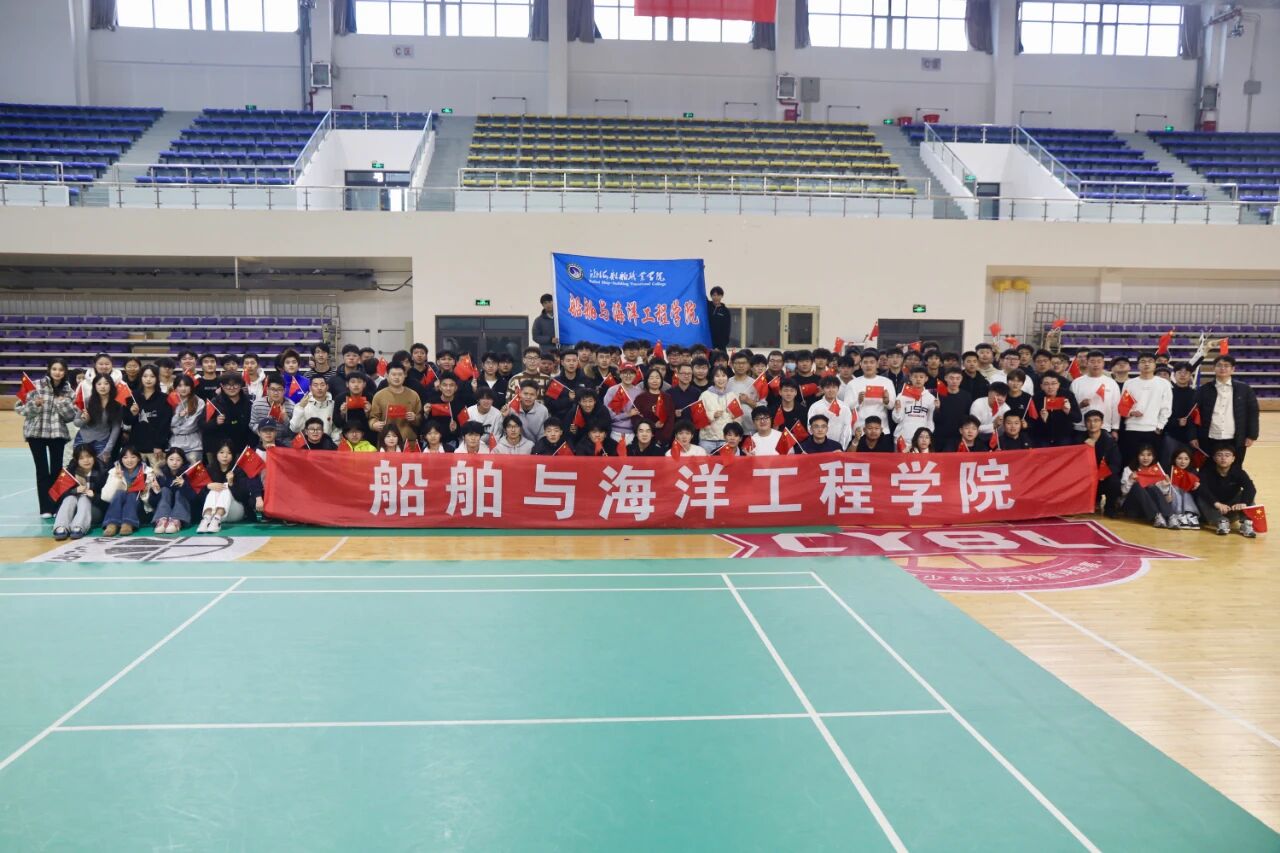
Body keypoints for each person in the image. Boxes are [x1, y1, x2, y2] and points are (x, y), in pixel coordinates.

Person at [18, 358, 77, 518]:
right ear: (49, 370)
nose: (57, 372)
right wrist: (35, 405)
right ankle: (45, 508)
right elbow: (20, 408)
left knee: (57, 471)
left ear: (65, 372)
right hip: (36, 434)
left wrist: (62, 404)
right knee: (42, 470)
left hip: (57, 435)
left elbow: (71, 416)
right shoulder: (35, 385)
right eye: (54, 369)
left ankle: (56, 506)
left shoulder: (68, 390)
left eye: (61, 370)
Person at [1191, 355, 1260, 468]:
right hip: (1209, 437)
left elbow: (1253, 413)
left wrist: (1252, 435)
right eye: (1219, 365)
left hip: (1236, 438)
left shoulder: (1245, 389)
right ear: (1214, 368)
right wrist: (1193, 436)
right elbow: (1193, 414)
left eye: (1226, 366)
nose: (1222, 368)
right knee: (1207, 468)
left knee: (1235, 468)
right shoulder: (1203, 390)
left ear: (1233, 369)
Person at [1119, 353, 1173, 463]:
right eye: (1143, 361)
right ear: (1138, 365)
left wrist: (1160, 426)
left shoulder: (1163, 383)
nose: (1146, 364)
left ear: (1155, 364)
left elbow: (1166, 408)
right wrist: (1131, 413)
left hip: (1153, 429)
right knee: (1132, 462)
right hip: (1132, 428)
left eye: (1150, 361)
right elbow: (1123, 407)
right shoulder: (1129, 383)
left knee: (1152, 463)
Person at [1195, 445, 1258, 537]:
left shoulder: (1239, 473)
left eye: (1227, 455)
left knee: (1248, 496)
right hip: (1213, 511)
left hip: (1232, 509)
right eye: (1219, 455)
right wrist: (1216, 503)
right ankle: (1221, 522)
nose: (1223, 458)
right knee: (1200, 494)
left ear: (1233, 459)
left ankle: (1246, 524)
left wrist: (1243, 503)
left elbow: (1250, 488)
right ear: (1214, 458)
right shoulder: (1206, 472)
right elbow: (1202, 489)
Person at [197, 441, 257, 533]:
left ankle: (216, 520)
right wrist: (207, 486)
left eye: (229, 453)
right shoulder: (209, 469)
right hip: (213, 511)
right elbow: (200, 497)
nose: (225, 456)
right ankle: (206, 519)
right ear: (216, 454)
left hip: (235, 511)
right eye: (221, 452)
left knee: (225, 488)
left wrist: (231, 483)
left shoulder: (238, 470)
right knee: (214, 489)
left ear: (233, 455)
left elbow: (244, 497)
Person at [51, 446, 107, 541]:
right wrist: (75, 491)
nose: (86, 460)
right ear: (76, 460)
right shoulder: (70, 472)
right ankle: (61, 527)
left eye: (89, 456)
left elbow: (107, 500)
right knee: (70, 498)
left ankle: (79, 527)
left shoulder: (103, 472)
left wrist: (94, 496)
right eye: (81, 458)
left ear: (94, 457)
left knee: (84, 498)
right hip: (72, 509)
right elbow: (59, 495)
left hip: (93, 510)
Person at [125, 365, 173, 467]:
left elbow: (165, 424)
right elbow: (126, 421)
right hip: (136, 447)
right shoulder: (132, 396)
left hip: (156, 449)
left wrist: (159, 445)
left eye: (152, 376)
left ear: (157, 378)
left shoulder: (164, 398)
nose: (148, 379)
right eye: (145, 376)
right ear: (140, 378)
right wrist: (133, 414)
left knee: (157, 475)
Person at [202, 373, 255, 460]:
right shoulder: (214, 403)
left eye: (235, 385)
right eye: (228, 385)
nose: (232, 388)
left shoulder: (248, 402)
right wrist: (215, 422)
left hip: (243, 447)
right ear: (222, 386)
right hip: (220, 448)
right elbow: (202, 424)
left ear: (241, 385)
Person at [100, 446, 150, 537]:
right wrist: (117, 479)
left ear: (139, 458)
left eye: (133, 457)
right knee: (120, 493)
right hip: (117, 508)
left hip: (140, 509)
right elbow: (106, 496)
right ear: (121, 459)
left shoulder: (147, 471)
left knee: (132, 493)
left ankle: (128, 524)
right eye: (125, 457)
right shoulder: (114, 471)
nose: (129, 460)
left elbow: (149, 500)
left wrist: (145, 491)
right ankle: (112, 524)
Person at [74, 374, 124, 464]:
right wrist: (84, 420)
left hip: (102, 440)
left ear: (111, 386)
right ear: (94, 386)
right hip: (83, 438)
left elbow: (116, 428)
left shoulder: (117, 404)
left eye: (106, 383)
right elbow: (76, 422)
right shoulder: (87, 401)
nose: (102, 386)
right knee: (81, 467)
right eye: (99, 384)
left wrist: (108, 449)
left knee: (100, 468)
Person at [369, 363, 422, 447]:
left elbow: (421, 418)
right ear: (387, 376)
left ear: (405, 375)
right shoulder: (379, 396)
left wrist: (415, 418)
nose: (397, 377)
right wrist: (374, 425)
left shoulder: (413, 395)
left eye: (400, 374)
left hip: (408, 442)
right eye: (393, 374)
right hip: (386, 442)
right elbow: (373, 418)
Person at [1082, 410, 1123, 516]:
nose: (1092, 424)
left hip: (1103, 477)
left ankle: (1110, 507)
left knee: (1114, 480)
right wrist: (1085, 448)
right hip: (1086, 476)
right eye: (1089, 421)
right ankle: (1090, 503)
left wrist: (1103, 474)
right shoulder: (1080, 439)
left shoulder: (1109, 441)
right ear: (1085, 423)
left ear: (1102, 423)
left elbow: (1116, 464)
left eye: (1096, 420)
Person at [1071, 351, 1121, 437]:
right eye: (1092, 361)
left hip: (1104, 427)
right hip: (1081, 427)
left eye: (1099, 361)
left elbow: (1116, 407)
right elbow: (1070, 407)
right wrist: (1080, 405)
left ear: (1103, 363)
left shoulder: (1111, 383)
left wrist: (1115, 429)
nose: (1096, 364)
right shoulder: (1076, 383)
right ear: (1087, 363)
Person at [150, 448, 197, 535]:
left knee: (179, 492)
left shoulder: (189, 473)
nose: (174, 463)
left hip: (183, 511)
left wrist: (184, 485)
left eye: (178, 460)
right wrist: (156, 491)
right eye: (171, 459)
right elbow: (152, 502)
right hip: (164, 510)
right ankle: (162, 520)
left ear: (183, 461)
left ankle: (176, 520)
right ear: (166, 460)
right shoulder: (160, 474)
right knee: (165, 490)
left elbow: (195, 499)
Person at [847, 351, 896, 431]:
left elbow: (891, 406)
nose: (868, 365)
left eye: (872, 362)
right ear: (861, 364)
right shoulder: (853, 383)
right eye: (865, 362)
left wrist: (887, 401)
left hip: (881, 428)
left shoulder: (887, 382)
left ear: (877, 364)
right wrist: (858, 401)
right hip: (859, 428)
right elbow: (847, 407)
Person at [1029, 373, 1080, 448]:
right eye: (1046, 384)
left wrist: (1068, 412)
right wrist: (1043, 419)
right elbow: (1032, 423)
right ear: (1041, 386)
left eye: (1053, 383)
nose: (1050, 387)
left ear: (1058, 385)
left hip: (1064, 436)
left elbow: (1078, 418)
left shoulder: (1068, 395)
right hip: (1043, 436)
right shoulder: (1036, 398)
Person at [892, 367, 936, 448]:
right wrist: (897, 410)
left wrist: (928, 437)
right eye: (915, 377)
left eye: (921, 377)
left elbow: (930, 420)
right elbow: (897, 419)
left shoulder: (931, 398)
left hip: (921, 442)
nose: (918, 379)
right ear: (910, 377)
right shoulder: (902, 396)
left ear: (926, 379)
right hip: (902, 439)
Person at [931, 368, 973, 452]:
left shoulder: (966, 396)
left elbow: (967, 417)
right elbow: (932, 418)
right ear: (946, 378)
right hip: (939, 436)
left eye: (957, 378)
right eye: (951, 378)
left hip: (958, 437)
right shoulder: (936, 395)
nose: (954, 381)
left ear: (961, 379)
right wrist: (937, 408)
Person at [698, 365, 738, 453]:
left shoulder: (732, 395)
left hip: (727, 439)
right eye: (717, 376)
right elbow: (698, 418)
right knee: (706, 462)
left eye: (723, 375)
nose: (721, 379)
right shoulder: (705, 395)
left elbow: (738, 419)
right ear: (713, 379)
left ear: (727, 378)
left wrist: (733, 415)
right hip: (707, 439)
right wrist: (712, 415)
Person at [804, 377, 852, 450]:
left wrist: (842, 447)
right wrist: (818, 443)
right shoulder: (815, 407)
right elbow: (810, 427)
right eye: (827, 387)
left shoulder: (845, 407)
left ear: (838, 389)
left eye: (834, 387)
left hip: (838, 447)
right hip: (818, 447)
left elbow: (847, 430)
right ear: (822, 389)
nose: (831, 390)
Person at [632, 367, 675, 446]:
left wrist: (663, 438)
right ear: (647, 381)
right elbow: (635, 419)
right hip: (644, 438)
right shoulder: (640, 398)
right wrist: (653, 426)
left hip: (662, 440)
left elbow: (671, 419)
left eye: (657, 378)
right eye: (651, 378)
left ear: (661, 380)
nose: (654, 380)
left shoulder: (667, 397)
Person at [251, 375, 296, 446]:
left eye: (279, 389)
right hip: (264, 442)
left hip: (284, 443)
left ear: (284, 391)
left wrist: (285, 419)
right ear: (267, 390)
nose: (276, 393)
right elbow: (252, 424)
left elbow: (293, 432)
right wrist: (265, 427)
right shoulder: (257, 404)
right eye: (272, 389)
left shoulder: (291, 406)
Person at [707, 286, 731, 351]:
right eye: (714, 295)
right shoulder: (707, 306)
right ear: (711, 296)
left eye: (718, 295)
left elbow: (726, 330)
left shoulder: (725, 311)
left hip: (720, 347)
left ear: (721, 296)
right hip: (707, 344)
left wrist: (720, 347)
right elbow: (700, 294)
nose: (716, 297)